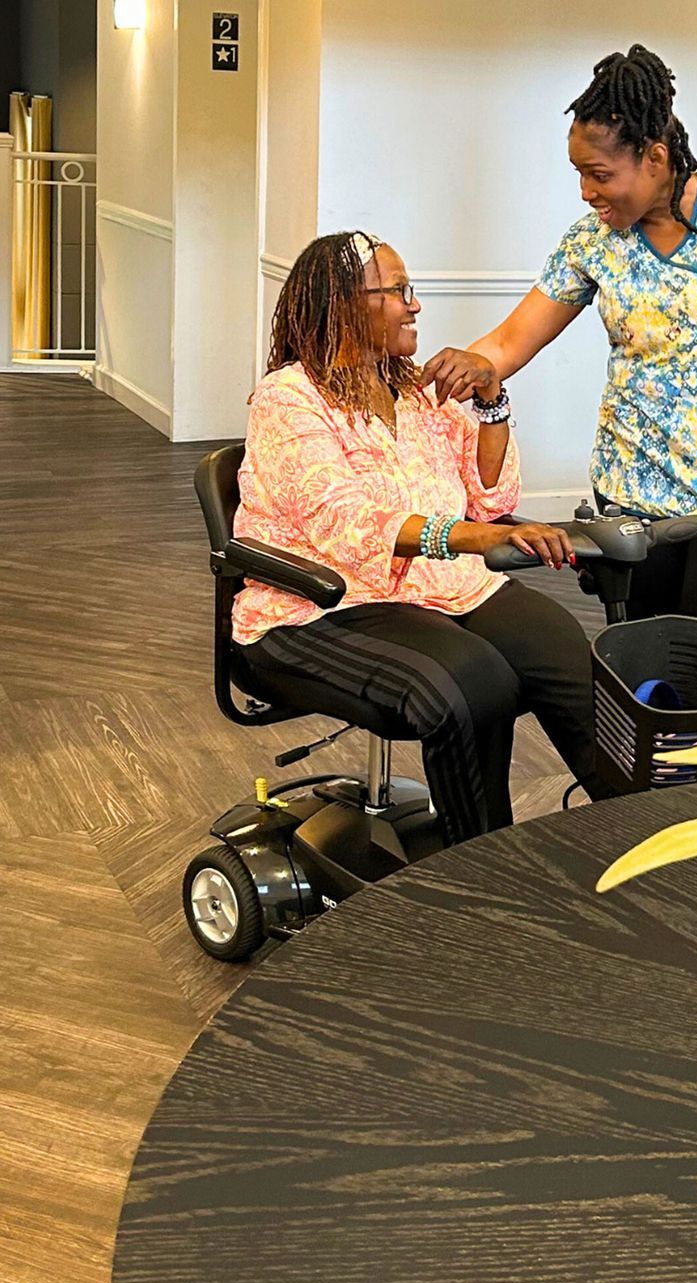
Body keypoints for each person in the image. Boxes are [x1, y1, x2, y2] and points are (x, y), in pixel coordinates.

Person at [423, 45, 697, 661]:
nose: (586, 192)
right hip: (628, 506)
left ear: (656, 157)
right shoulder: (593, 241)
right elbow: (507, 341)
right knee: (639, 679)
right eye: (578, 173)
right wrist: (473, 365)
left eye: (600, 175)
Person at [232, 230, 613, 841]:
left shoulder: (414, 390)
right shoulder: (289, 398)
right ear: (343, 305)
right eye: (399, 291)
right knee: (471, 684)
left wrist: (492, 401)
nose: (416, 305)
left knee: (564, 650)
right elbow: (346, 523)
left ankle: (652, 840)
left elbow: (490, 500)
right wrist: (471, 539)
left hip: (444, 589)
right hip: (321, 604)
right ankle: (482, 870)